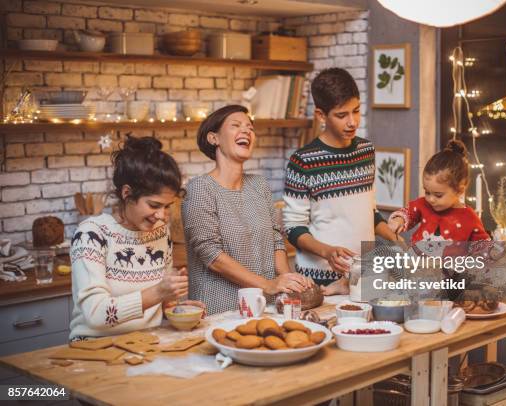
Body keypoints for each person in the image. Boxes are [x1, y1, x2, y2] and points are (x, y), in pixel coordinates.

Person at [69, 136, 205, 341]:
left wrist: (178, 309)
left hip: (147, 343)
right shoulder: (91, 234)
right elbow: (95, 314)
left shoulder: (159, 231)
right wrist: (159, 292)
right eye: (154, 205)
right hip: (93, 349)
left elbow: (159, 304)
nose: (162, 216)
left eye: (167, 206)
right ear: (127, 193)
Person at [182, 104, 312, 315]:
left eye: (250, 128)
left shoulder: (259, 185)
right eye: (236, 125)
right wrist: (267, 284)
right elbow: (211, 255)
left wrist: (288, 284)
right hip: (220, 311)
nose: (246, 131)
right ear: (213, 138)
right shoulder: (199, 189)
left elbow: (276, 239)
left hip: (266, 306)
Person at [283, 68, 398, 295]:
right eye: (341, 115)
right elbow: (293, 228)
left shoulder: (366, 150)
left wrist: (396, 240)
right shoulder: (302, 161)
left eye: (356, 111)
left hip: (363, 275)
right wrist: (328, 252)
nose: (352, 122)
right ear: (321, 115)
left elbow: (369, 212)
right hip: (318, 280)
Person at [387, 139, 490, 244]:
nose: (431, 199)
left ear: (459, 190)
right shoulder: (423, 204)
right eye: (427, 192)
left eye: (438, 195)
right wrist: (399, 220)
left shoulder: (469, 218)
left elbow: (483, 247)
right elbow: (408, 213)